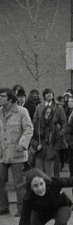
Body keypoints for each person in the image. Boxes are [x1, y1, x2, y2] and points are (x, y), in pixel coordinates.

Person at [0, 87, 34, 216]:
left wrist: (23, 144)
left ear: (10, 98)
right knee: (0, 181)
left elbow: (29, 129)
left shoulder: (21, 111)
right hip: (2, 153)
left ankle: (22, 208)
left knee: (19, 183)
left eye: (2, 96)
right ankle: (3, 206)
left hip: (17, 152)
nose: (0, 98)